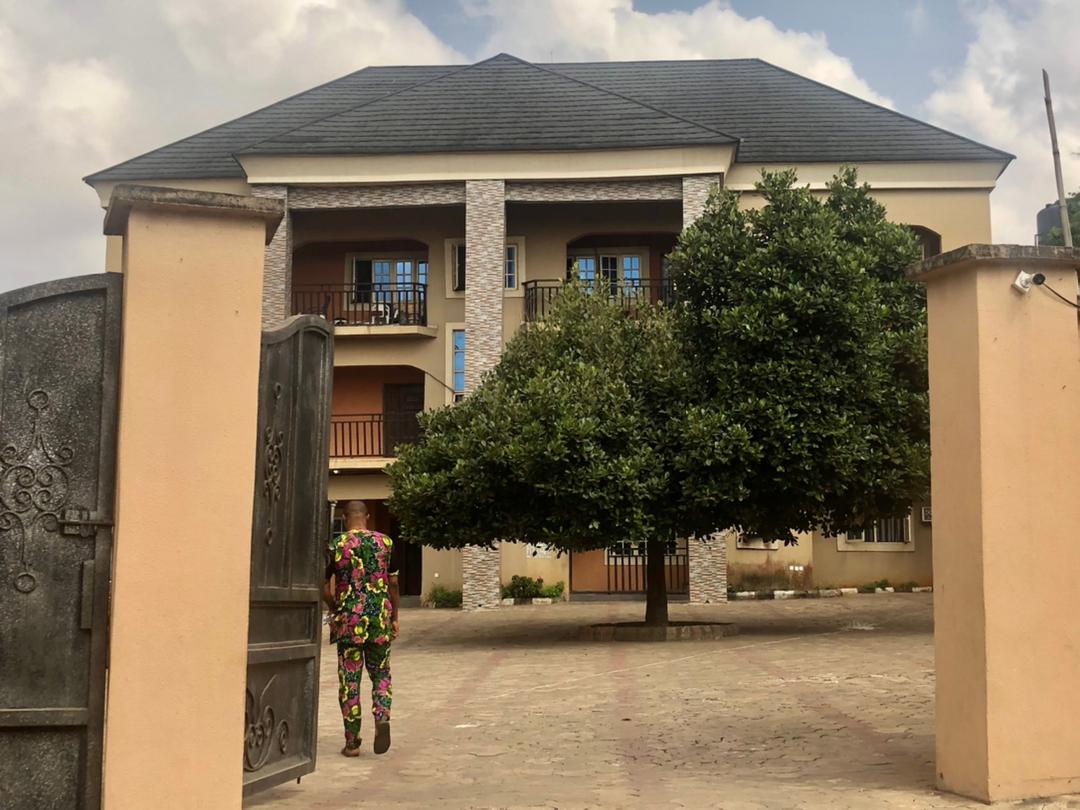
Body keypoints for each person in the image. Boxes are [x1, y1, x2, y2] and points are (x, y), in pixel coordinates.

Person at [323, 500, 400, 757]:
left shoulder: (336, 546)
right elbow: (394, 584)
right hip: (379, 620)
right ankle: (382, 716)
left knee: (350, 682)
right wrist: (395, 616)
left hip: (348, 623)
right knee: (381, 674)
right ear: (367, 516)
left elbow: (322, 587)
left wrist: (335, 607)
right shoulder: (385, 543)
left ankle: (353, 743)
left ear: (345, 518)